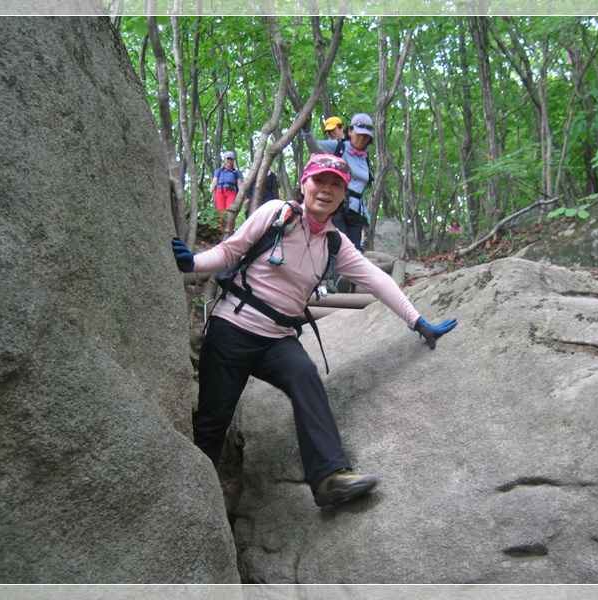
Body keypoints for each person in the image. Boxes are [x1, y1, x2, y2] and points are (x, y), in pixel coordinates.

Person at [171, 154, 457, 507]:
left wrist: (417, 321)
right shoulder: (277, 214)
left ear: (343, 194)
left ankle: (329, 477)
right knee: (214, 420)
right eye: (320, 180)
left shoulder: (335, 243)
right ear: (304, 183)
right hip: (234, 327)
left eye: (336, 184)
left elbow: (377, 280)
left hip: (278, 338)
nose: (326, 189)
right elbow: (231, 251)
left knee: (305, 376)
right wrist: (194, 263)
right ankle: (189, 499)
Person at [303, 113, 374, 252]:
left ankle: (349, 274)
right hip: (338, 207)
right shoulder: (339, 146)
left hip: (356, 212)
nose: (361, 138)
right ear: (350, 131)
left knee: (353, 251)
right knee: (338, 246)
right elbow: (314, 147)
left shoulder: (366, 159)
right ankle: (328, 273)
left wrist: (365, 212)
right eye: (358, 133)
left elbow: (361, 189)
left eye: (366, 135)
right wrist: (306, 131)